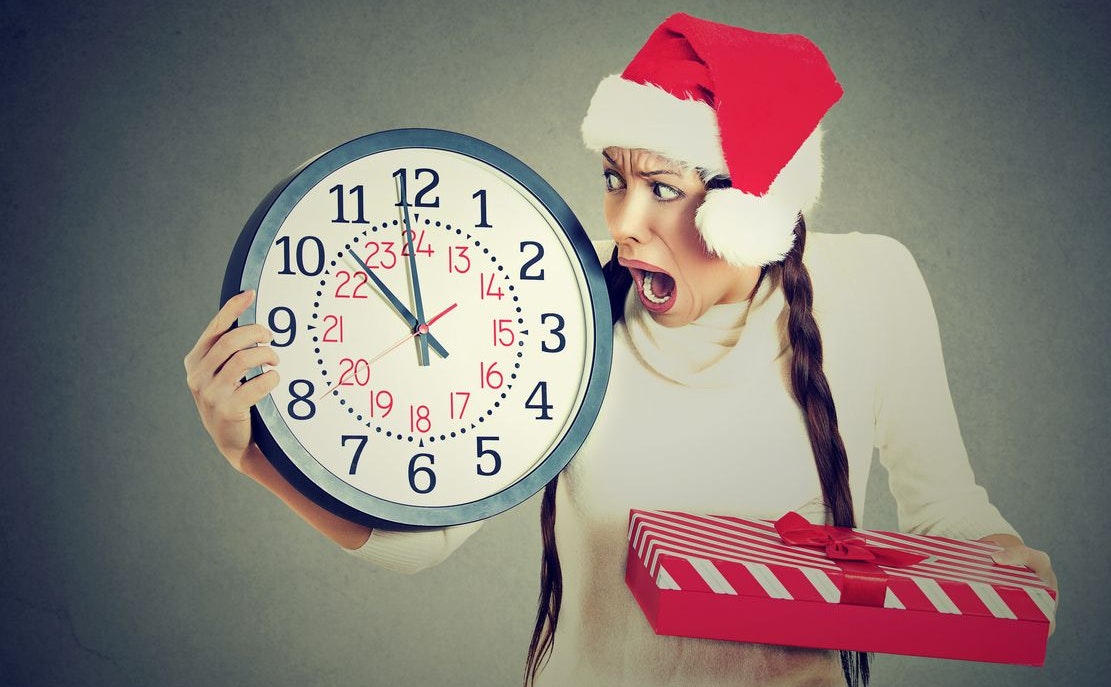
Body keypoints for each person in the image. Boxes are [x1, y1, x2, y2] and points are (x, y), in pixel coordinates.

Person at [185, 13, 1057, 687]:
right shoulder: (558, 316)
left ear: (748, 207)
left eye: (662, 189)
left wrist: (1000, 554)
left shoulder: (872, 286)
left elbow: (949, 510)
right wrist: (254, 456)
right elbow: (420, 542)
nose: (622, 223)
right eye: (614, 178)